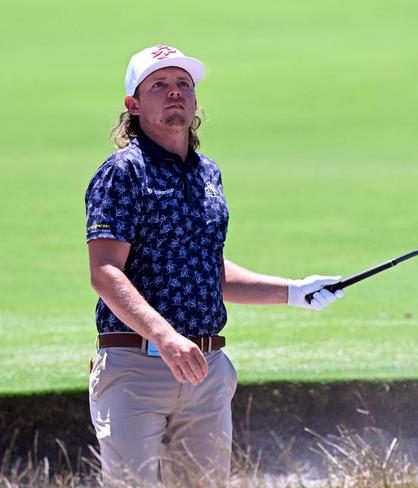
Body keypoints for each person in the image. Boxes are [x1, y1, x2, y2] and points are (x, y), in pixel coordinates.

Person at [85, 44, 343, 485]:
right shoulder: (123, 172)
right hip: (136, 368)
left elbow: (208, 269)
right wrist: (165, 337)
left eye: (183, 84)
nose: (175, 93)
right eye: (159, 85)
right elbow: (106, 272)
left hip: (206, 372)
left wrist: (294, 291)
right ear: (133, 103)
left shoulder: (207, 174)